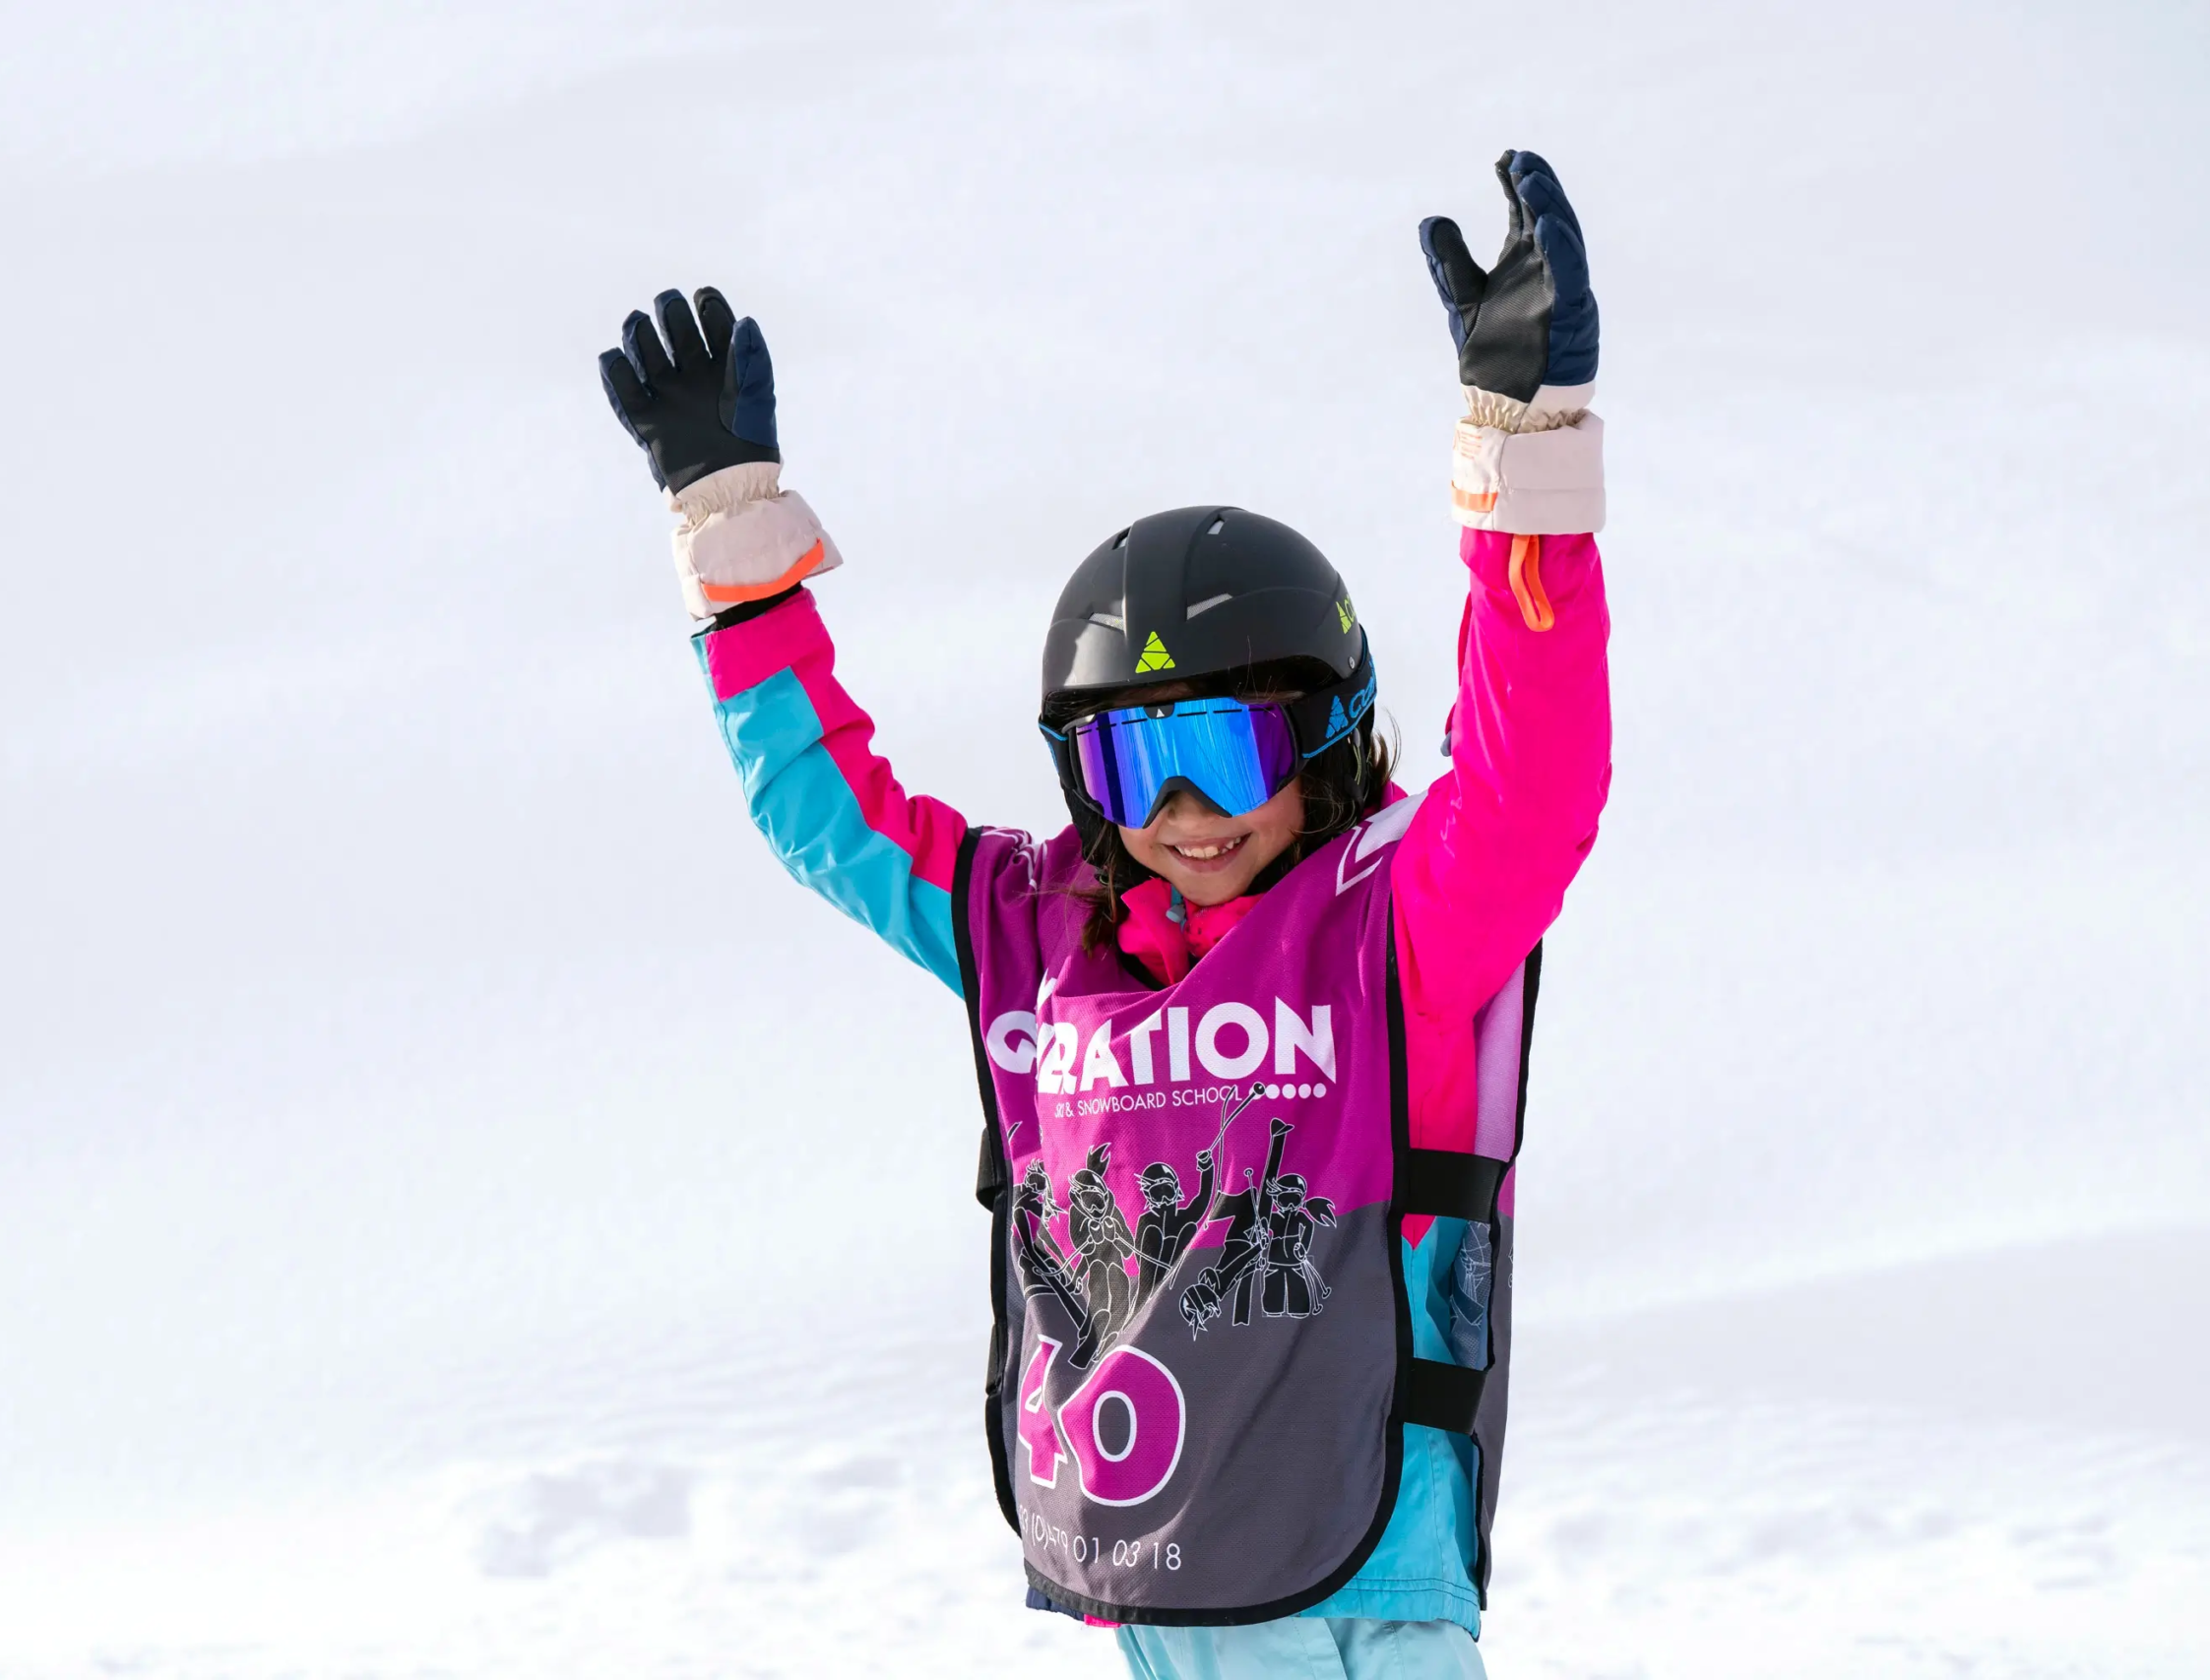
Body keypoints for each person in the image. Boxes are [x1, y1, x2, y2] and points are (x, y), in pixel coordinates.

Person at [598, 151, 1611, 1680]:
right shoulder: (1029, 933)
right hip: (1170, 1574)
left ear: (1330, 741)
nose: (1186, 812)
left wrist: (1521, 450)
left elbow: (1535, 780)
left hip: (1379, 1571)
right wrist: (737, 553)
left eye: (1231, 749)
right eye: (1138, 760)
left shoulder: (1390, 923)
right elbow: (830, 819)